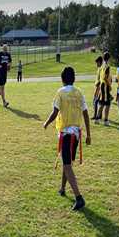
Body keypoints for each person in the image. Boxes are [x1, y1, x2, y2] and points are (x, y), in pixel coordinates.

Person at [43, 66, 91, 211]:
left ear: (62, 79)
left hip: (66, 134)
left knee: (67, 165)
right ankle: (62, 188)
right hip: (76, 134)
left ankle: (79, 197)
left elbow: (55, 111)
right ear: (74, 79)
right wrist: (89, 134)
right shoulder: (79, 93)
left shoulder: (60, 93)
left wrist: (46, 122)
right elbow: (86, 113)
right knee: (67, 162)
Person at [95, 52, 113, 126]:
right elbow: (105, 77)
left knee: (102, 103)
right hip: (105, 86)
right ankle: (105, 120)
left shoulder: (102, 66)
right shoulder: (107, 66)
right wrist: (109, 85)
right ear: (109, 58)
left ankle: (97, 119)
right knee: (107, 104)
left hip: (102, 85)